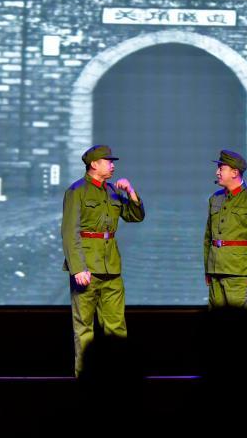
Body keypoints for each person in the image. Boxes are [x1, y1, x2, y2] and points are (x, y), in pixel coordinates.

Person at [61, 144, 144, 376]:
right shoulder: (76, 191)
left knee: (116, 327)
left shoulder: (113, 191)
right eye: (108, 161)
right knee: (84, 329)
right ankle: (85, 379)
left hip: (111, 267)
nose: (112, 165)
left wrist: (131, 192)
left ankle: (119, 377)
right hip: (87, 268)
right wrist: (78, 268)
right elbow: (69, 232)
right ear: (94, 164)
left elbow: (135, 216)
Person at [204, 150, 247, 310]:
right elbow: (207, 238)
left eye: (221, 168)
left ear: (234, 172)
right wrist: (208, 270)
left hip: (240, 273)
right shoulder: (215, 199)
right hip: (216, 270)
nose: (217, 172)